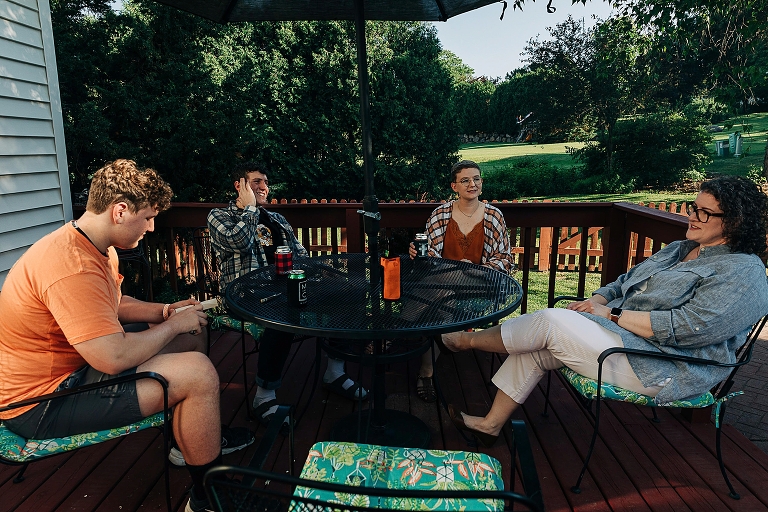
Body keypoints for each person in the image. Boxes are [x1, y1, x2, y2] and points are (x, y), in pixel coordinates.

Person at [0, 159, 252, 512]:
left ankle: (187, 446)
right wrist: (169, 327)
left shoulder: (97, 247)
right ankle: (208, 498)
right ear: (120, 211)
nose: (151, 228)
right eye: (148, 218)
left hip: (76, 371)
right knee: (197, 373)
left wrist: (166, 312)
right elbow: (112, 357)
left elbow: (114, 304)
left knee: (192, 333)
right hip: (40, 403)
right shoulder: (70, 265)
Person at [443, 175, 768, 447]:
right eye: (693, 208)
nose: (692, 217)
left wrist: (612, 316)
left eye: (704, 213)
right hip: (624, 338)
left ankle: (464, 342)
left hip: (665, 366)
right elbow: (628, 281)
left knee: (549, 323)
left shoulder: (743, 272)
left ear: (735, 222)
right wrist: (600, 300)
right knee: (541, 343)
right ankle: (489, 426)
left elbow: (687, 328)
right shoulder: (683, 249)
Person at [207, 161, 368, 427]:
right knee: (283, 312)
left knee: (350, 293)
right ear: (239, 186)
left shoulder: (277, 220)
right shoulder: (220, 216)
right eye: (256, 181)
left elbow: (300, 254)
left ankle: (334, 372)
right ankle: (264, 395)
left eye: (265, 182)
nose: (263, 187)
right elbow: (239, 241)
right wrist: (249, 209)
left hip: (289, 285)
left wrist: (320, 276)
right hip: (246, 294)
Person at [408, 160, 514, 402]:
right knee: (443, 295)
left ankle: (399, 331)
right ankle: (428, 367)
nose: (472, 184)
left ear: (482, 184)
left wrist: (473, 269)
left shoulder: (493, 215)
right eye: (465, 180)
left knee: (436, 290)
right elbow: (430, 253)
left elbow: (504, 257)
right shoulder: (441, 214)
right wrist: (420, 252)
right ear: (454, 186)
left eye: (476, 179)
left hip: (481, 280)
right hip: (442, 282)